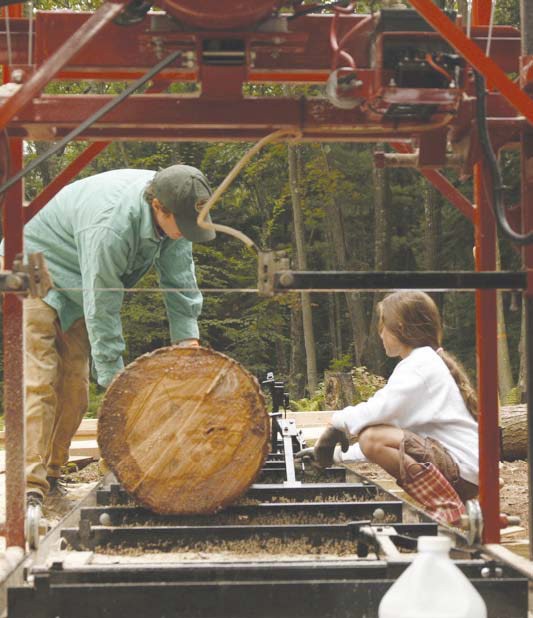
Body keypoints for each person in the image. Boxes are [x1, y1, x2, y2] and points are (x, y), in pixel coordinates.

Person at [0, 164, 216, 508]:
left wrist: (187, 343)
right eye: (184, 226)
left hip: (77, 278)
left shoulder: (177, 215)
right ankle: (29, 486)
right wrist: (117, 382)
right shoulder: (111, 226)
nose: (187, 233)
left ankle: (52, 472)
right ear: (158, 207)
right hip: (33, 263)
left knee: (74, 386)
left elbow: (180, 282)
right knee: (40, 380)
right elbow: (102, 302)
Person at [298, 290, 479, 525]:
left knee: (372, 436)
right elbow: (392, 442)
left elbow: (376, 415)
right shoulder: (423, 362)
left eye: (383, 326)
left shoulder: (419, 364)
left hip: (461, 472)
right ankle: (450, 502)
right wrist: (335, 456)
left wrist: (336, 423)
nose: (380, 334)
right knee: (373, 437)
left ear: (400, 327)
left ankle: (446, 507)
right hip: (465, 472)